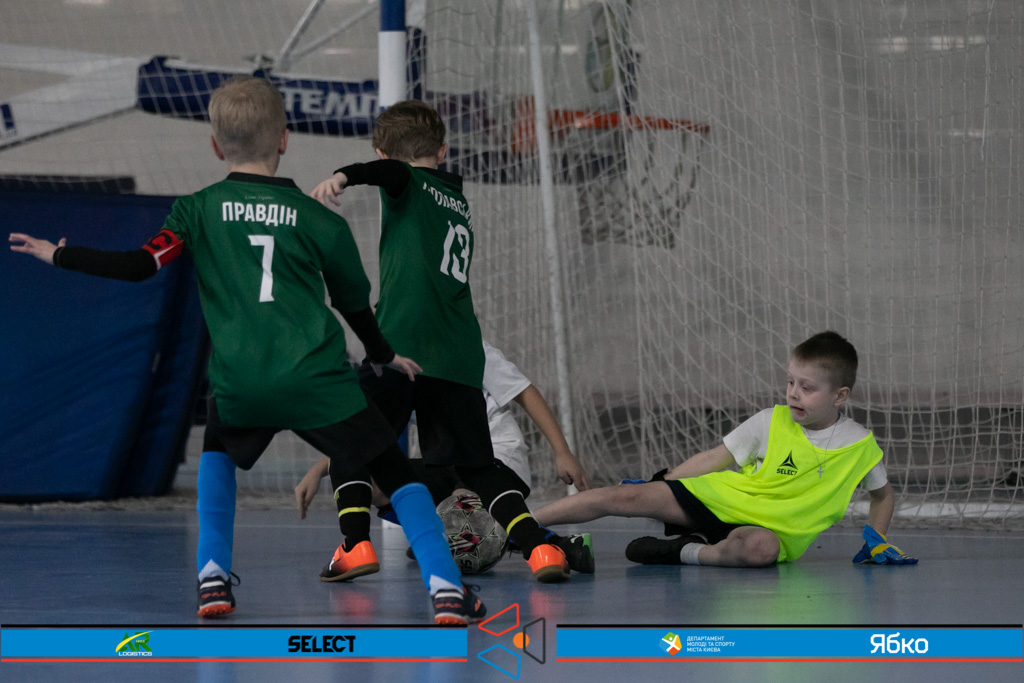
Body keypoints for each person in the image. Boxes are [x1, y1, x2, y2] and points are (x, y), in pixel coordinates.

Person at [9, 76, 486, 625]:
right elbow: (354, 305)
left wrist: (62, 255)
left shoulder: (195, 210)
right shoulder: (321, 220)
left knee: (217, 456)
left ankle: (213, 577)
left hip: (241, 382)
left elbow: (141, 265)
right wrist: (382, 355)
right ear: (284, 139)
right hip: (316, 380)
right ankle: (446, 588)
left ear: (215, 146)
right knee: (397, 472)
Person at [310, 100, 593, 582]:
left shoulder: (406, 181)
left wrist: (343, 176)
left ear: (381, 153)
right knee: (479, 467)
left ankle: (355, 545)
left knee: (349, 440)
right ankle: (541, 550)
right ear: (443, 150)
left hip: (403, 345)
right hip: (459, 353)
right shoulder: (455, 198)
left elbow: (393, 174)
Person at [533, 331, 918, 567]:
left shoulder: (860, 447)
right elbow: (716, 458)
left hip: (767, 532)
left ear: (840, 395)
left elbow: (882, 495)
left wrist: (877, 539)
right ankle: (519, 524)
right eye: (790, 382)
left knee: (760, 552)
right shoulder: (771, 420)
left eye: (807, 387)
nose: (793, 393)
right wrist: (663, 481)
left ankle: (682, 552)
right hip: (717, 500)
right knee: (623, 496)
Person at [294, 338, 593, 567]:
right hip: (446, 461)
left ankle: (545, 544)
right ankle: (406, 540)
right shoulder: (398, 363)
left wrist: (562, 451)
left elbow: (524, 391)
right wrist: (318, 470)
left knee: (465, 512)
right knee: (368, 482)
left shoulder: (470, 347)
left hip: (496, 457)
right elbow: (367, 434)